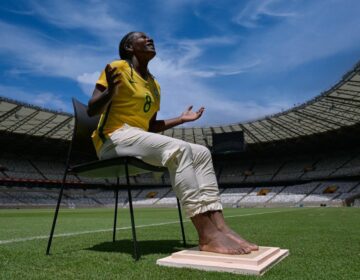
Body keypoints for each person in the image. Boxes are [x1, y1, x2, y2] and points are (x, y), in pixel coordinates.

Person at [87, 31, 258, 255]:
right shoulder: (117, 67)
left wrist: (180, 119)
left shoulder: (155, 85)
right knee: (179, 149)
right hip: (112, 139)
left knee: (202, 152)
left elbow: (151, 126)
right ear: (129, 48)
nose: (149, 39)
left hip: (135, 138)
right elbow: (91, 109)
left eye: (150, 37)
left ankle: (221, 227)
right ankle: (207, 235)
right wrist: (110, 91)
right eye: (143, 37)